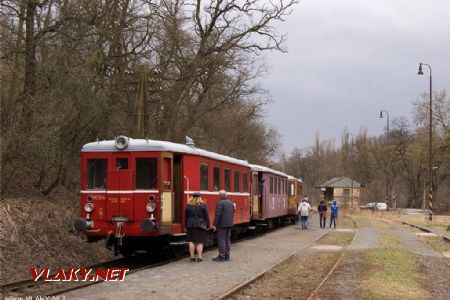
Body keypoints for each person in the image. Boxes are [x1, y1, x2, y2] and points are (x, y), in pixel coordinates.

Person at [185, 192, 210, 262]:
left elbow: (186, 217)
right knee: (199, 242)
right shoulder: (203, 206)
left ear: (192, 197)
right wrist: (208, 225)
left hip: (190, 225)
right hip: (200, 225)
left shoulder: (188, 206)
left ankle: (192, 257)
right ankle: (199, 257)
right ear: (200, 197)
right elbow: (206, 216)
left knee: (191, 241)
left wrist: (186, 226)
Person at [211, 190, 234, 262]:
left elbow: (218, 215)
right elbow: (233, 212)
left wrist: (214, 224)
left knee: (221, 240)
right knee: (227, 240)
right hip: (229, 224)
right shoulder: (230, 203)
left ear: (220, 196)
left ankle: (221, 256)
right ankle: (227, 256)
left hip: (222, 225)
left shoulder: (220, 203)